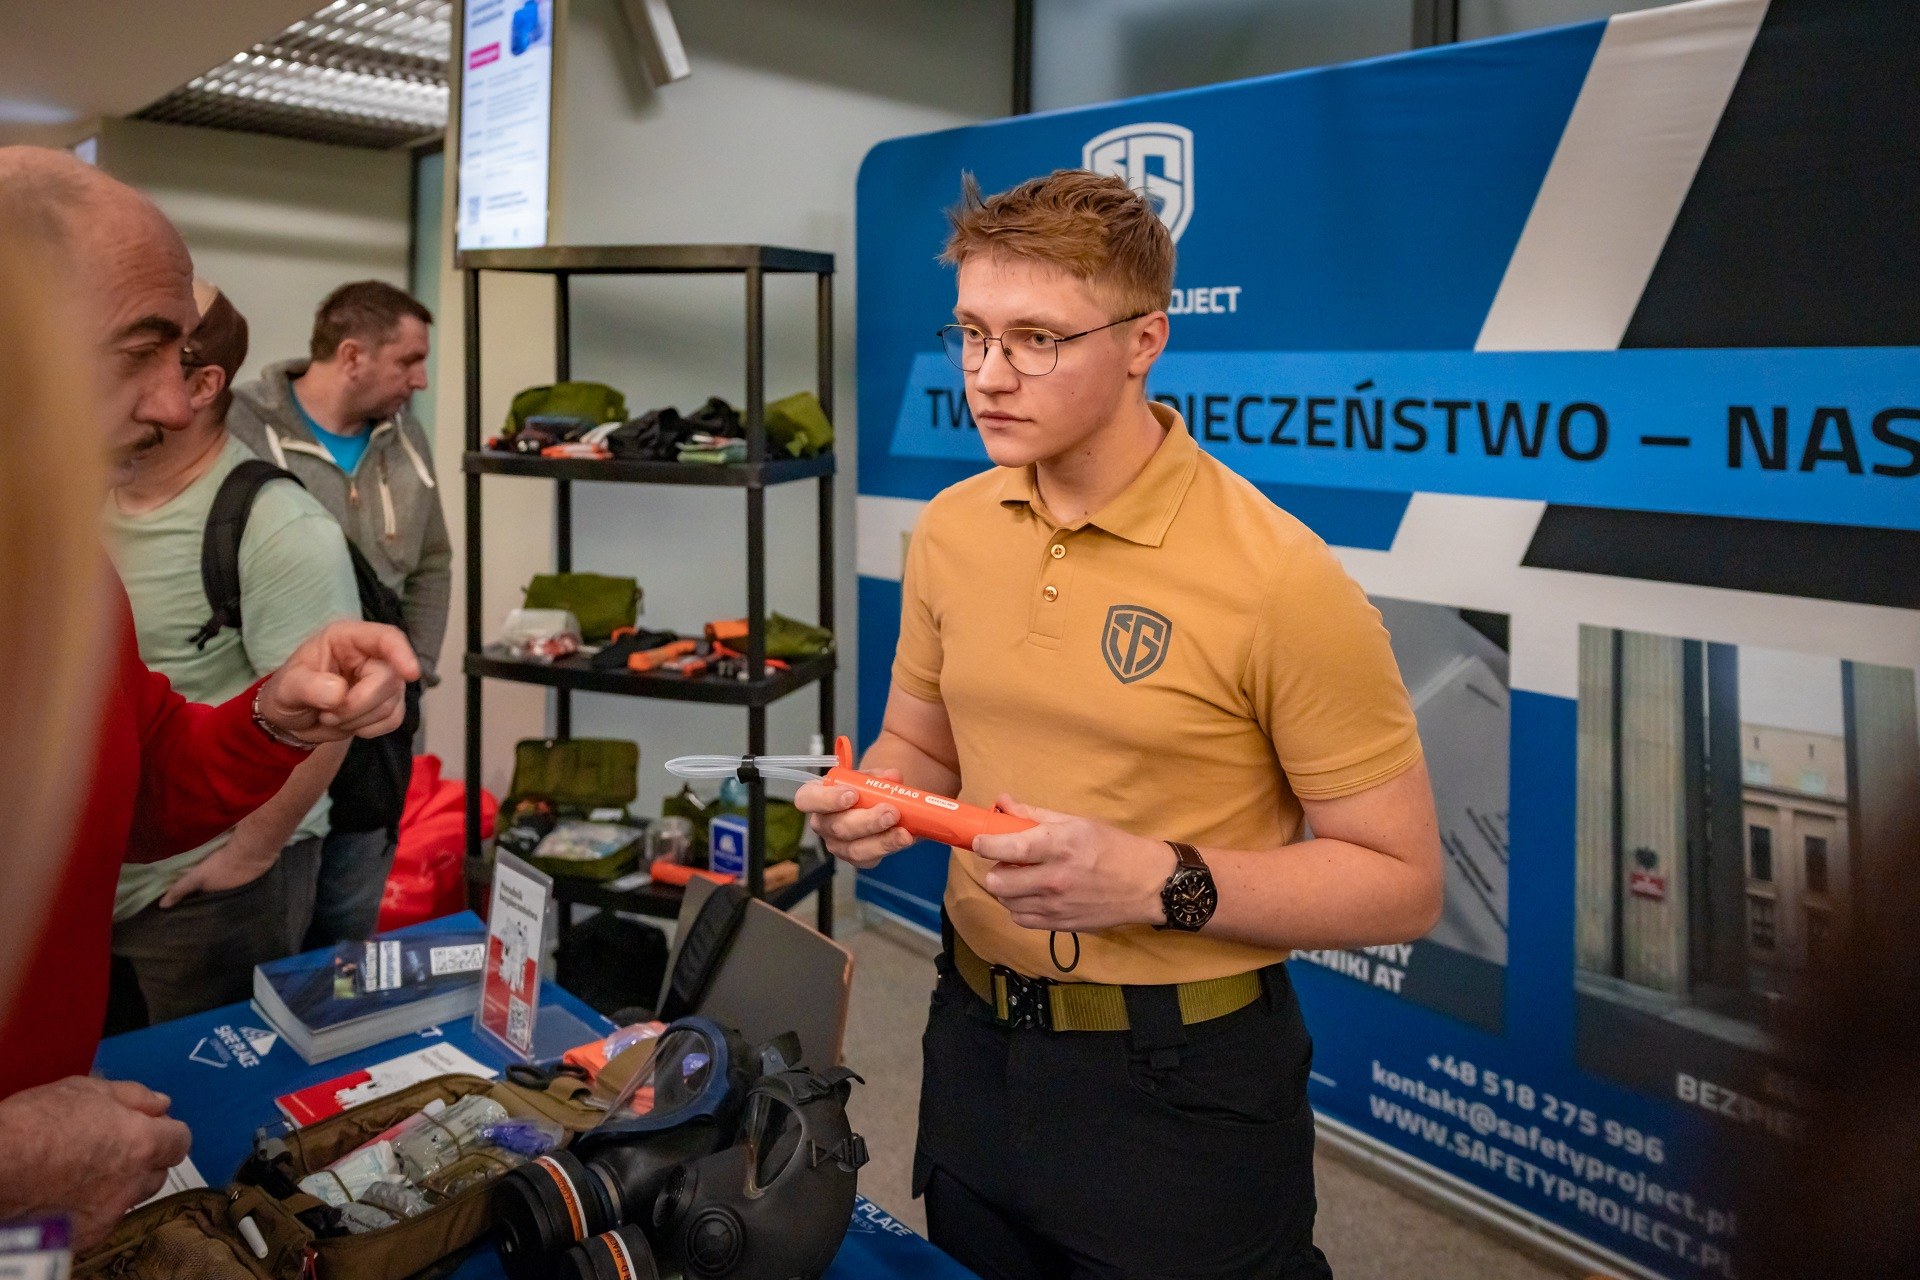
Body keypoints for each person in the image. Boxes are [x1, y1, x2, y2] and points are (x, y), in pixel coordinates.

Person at [797, 171, 1443, 1280]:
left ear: (1145, 340)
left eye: (1037, 340)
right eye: (973, 334)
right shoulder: (950, 529)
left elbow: (1403, 883)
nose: (988, 375)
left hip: (1181, 1080)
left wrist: (1157, 880)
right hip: (973, 1037)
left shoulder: (1280, 578)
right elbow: (924, 746)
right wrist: (874, 800)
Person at [0, 146, 417, 1244]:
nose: (168, 401)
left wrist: (275, 716)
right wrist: (19, 1153)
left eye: (180, 354)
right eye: (138, 352)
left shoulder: (59, 565)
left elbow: (130, 786)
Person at [102, 280, 364, 1031]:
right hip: (102, 880)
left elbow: (329, 711)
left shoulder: (279, 525)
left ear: (201, 384)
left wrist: (248, 855)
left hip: (206, 892)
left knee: (206, 1084)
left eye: (138, 357)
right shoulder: (87, 499)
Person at [229, 279, 450, 948]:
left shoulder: (404, 438)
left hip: (377, 731)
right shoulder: (241, 428)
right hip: (281, 729)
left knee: (347, 937)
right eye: (409, 361)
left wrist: (417, 670)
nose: (420, 380)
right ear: (352, 356)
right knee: (274, 932)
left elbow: (433, 562)